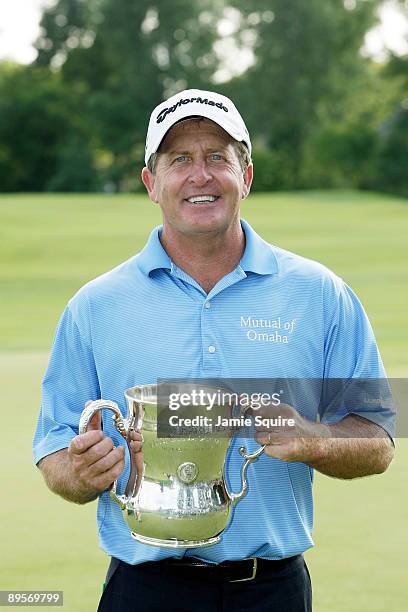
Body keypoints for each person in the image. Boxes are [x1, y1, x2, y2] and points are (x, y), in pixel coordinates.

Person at [33, 89, 395, 611]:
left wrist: (314, 437)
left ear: (245, 176)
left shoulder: (321, 293)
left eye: (217, 157)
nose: (199, 175)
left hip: (271, 590)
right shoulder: (95, 305)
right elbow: (53, 450)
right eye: (178, 159)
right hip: (144, 591)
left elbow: (380, 438)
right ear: (151, 183)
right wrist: (79, 471)